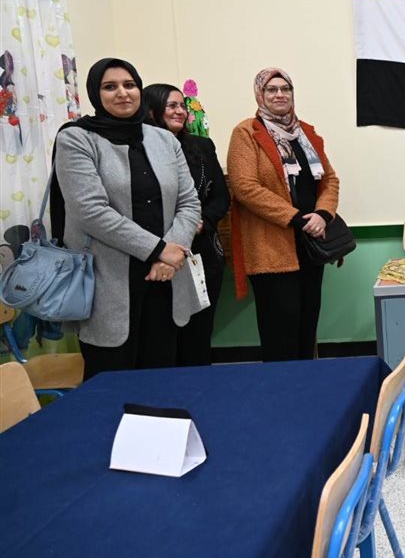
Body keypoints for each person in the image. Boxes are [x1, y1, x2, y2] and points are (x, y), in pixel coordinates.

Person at [50, 58, 202, 379]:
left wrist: (170, 253)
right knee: (111, 383)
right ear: (95, 93)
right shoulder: (76, 138)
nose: (122, 93)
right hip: (108, 281)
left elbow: (189, 202)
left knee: (160, 380)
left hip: (164, 278)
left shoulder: (163, 139)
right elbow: (90, 211)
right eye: (110, 87)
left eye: (129, 85)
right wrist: (158, 249)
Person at [226, 68, 340, 362]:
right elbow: (244, 187)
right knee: (280, 330)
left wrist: (323, 214)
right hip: (271, 247)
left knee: (307, 324)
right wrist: (296, 218)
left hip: (311, 244)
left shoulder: (306, 133)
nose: (280, 94)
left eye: (285, 89)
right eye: (271, 89)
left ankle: (306, 383)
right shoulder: (246, 133)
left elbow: (329, 180)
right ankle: (281, 387)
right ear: (259, 94)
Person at [143, 83, 230, 365]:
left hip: (202, 253)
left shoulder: (201, 147)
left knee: (199, 334)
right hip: (157, 256)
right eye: (172, 105)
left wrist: (201, 222)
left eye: (182, 105)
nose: (180, 111)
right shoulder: (138, 149)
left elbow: (221, 197)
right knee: (162, 338)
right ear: (152, 110)